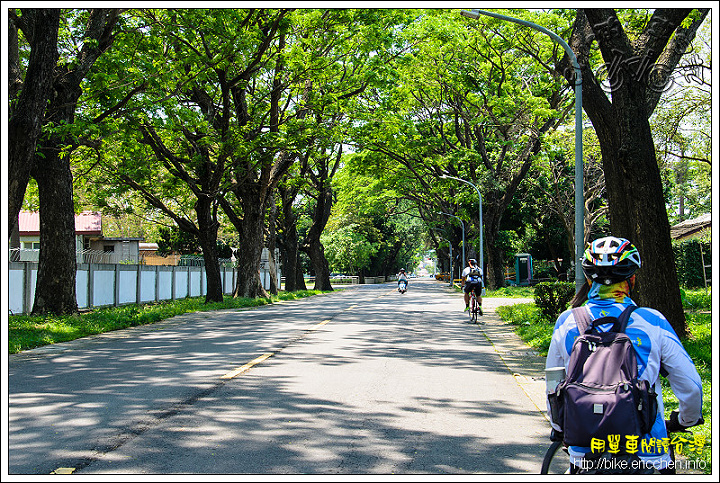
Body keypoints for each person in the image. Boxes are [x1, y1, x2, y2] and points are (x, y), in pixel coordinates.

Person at [546, 236, 703, 473]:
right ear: (632, 278)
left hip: (585, 449)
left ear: (589, 279)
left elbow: (553, 383)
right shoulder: (652, 321)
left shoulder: (567, 322)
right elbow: (690, 385)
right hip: (646, 452)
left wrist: (559, 427)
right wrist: (686, 420)